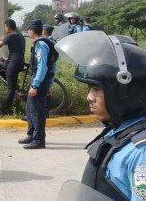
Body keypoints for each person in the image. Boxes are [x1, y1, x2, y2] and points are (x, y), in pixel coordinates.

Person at [55, 31, 146, 200]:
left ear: (124, 93)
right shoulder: (119, 132)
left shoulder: (141, 151)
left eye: (97, 89)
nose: (89, 97)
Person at [18, 20, 58, 149]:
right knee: (30, 110)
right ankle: (31, 135)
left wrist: (35, 85)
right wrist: (49, 84)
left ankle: (39, 140)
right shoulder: (44, 43)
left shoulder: (41, 45)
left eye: (28, 30)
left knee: (37, 112)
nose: (28, 32)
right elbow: (53, 66)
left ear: (31, 30)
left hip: (39, 81)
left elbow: (43, 67)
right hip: (41, 81)